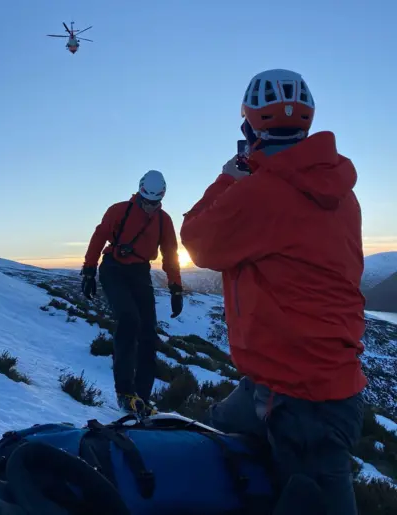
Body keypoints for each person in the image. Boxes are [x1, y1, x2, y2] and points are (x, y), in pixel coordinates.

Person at [180, 69, 367, 515]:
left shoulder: (261, 192)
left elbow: (197, 240)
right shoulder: (341, 192)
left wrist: (230, 178)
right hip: (295, 384)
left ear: (249, 124)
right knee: (215, 435)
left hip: (303, 400)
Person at [81, 170, 183, 415]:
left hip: (140, 273)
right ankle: (125, 391)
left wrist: (176, 288)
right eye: (146, 201)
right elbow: (99, 237)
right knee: (128, 319)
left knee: (148, 333)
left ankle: (142, 398)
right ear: (139, 193)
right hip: (113, 269)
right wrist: (88, 270)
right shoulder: (118, 210)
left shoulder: (163, 220)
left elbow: (171, 254)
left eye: (155, 203)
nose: (150, 207)